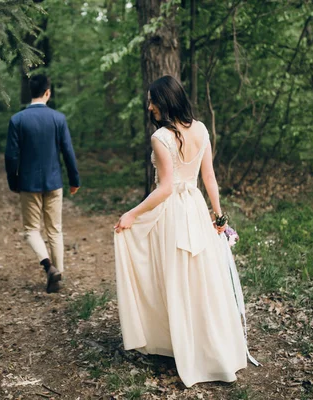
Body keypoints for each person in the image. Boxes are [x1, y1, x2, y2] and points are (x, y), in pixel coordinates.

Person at [113, 75, 254, 387]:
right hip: (195, 208)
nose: (149, 107)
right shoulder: (201, 129)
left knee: (175, 277)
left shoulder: (161, 138)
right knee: (200, 279)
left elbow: (164, 189)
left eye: (152, 101)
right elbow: (210, 178)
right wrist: (219, 217)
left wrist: (131, 214)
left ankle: (184, 347)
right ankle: (206, 346)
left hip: (173, 212)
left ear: (165, 102)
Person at [5, 74, 80, 293]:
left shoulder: (17, 120)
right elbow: (68, 151)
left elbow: (11, 156)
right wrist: (74, 180)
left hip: (28, 184)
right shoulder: (58, 119)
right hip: (54, 182)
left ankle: (48, 266)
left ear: (31, 92)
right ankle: (59, 274)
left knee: (31, 231)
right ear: (48, 92)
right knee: (55, 230)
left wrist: (13, 180)